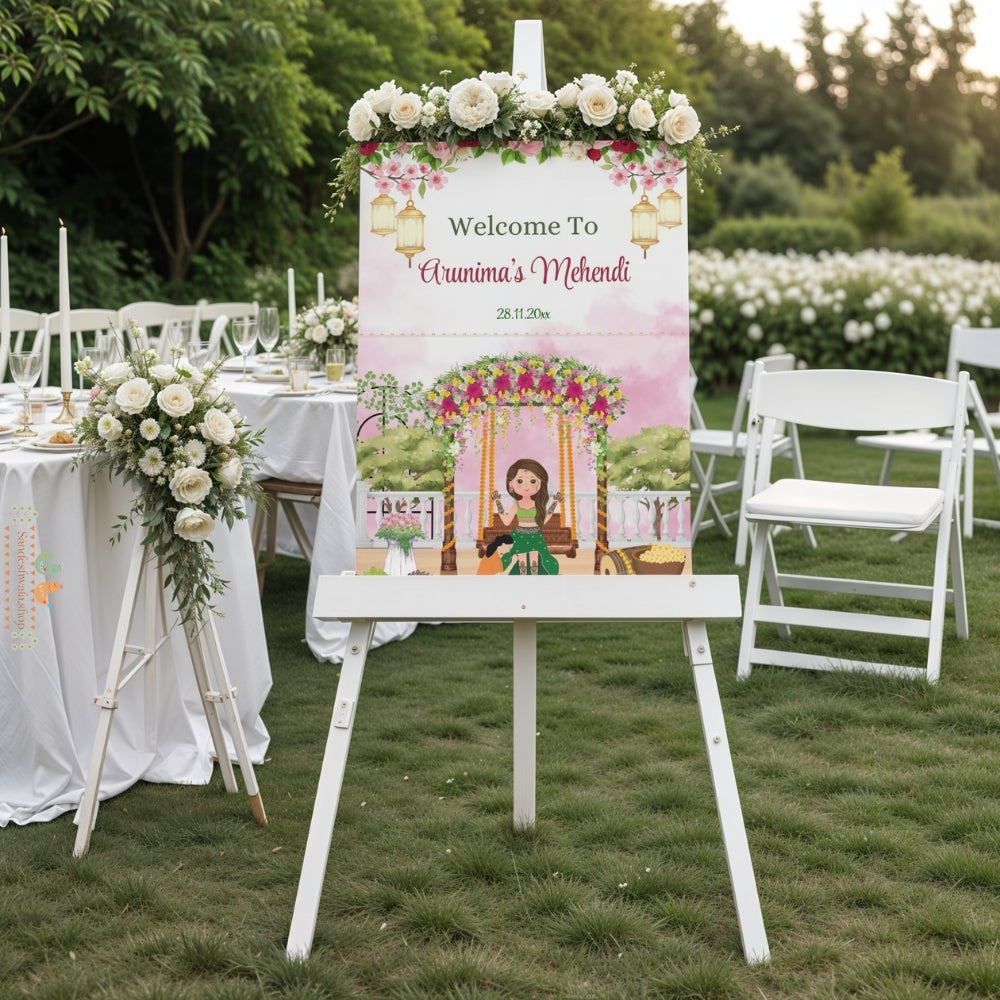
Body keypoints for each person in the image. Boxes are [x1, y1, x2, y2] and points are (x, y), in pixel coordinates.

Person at [490, 458, 561, 575]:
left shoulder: (538, 504)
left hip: (535, 536)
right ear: (511, 484)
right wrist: (498, 502)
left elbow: (543, 520)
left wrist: (555, 503)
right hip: (519, 536)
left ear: (540, 483)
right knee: (521, 561)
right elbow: (507, 521)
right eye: (520, 481)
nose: (526, 486)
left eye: (533, 481)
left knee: (535, 561)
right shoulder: (517, 505)